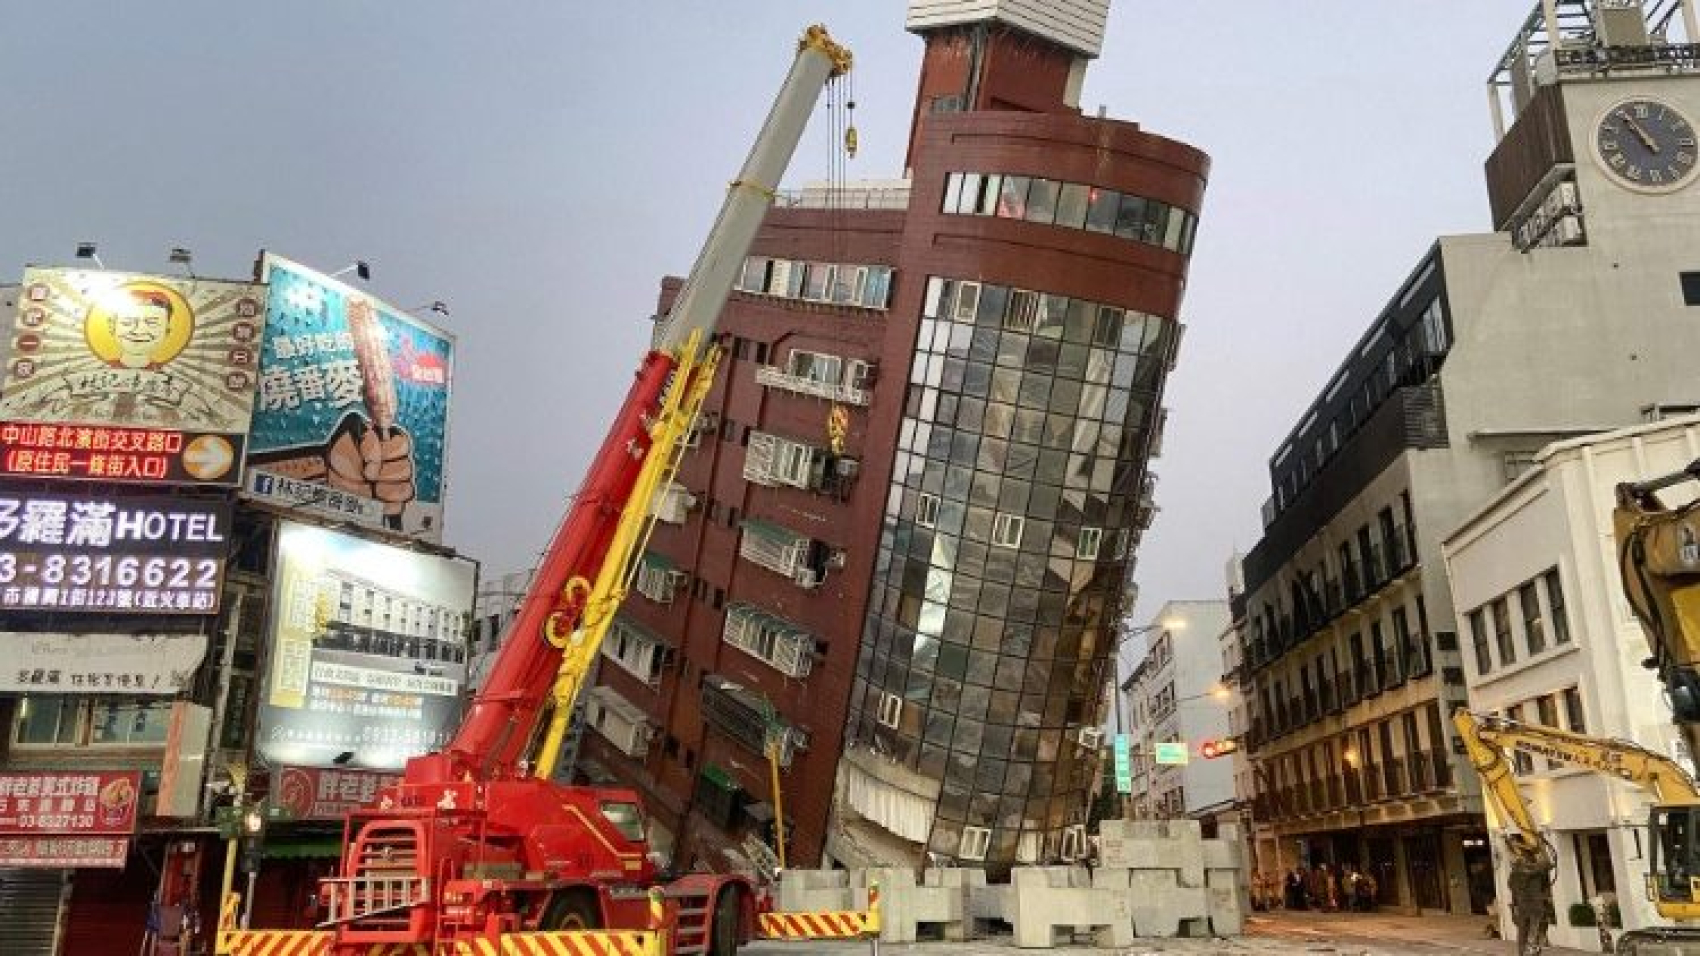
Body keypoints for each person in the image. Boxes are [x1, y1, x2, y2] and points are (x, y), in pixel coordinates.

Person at [1506, 837, 1555, 956]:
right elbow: (1547, 864)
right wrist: (1540, 847)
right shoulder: (1534, 870)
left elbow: (1511, 887)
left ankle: (1525, 951)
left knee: (1523, 933)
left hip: (1523, 907)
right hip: (1534, 907)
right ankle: (1530, 949)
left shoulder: (1516, 874)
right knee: (1533, 932)